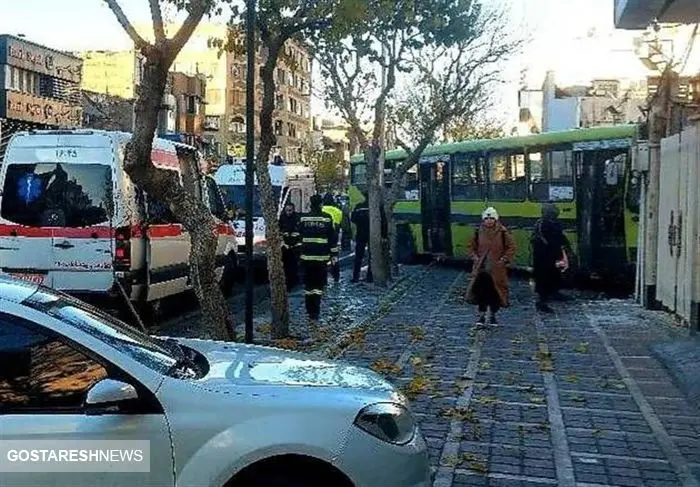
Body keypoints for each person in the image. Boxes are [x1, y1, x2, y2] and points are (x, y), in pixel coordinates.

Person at [465, 207, 517, 326]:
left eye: (491, 218)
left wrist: (503, 259)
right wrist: (475, 258)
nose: (489, 221)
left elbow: (511, 247)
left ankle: (493, 316)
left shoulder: (503, 232)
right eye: (487, 218)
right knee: (481, 293)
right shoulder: (478, 231)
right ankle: (482, 316)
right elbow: (470, 246)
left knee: (496, 294)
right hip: (481, 271)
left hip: (497, 271)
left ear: (496, 219)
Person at [299, 195, 338, 323]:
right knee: (318, 286)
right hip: (321, 258)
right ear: (320, 204)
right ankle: (315, 312)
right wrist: (334, 255)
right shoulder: (326, 218)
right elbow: (332, 239)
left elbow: (299, 236)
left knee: (308, 285)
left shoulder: (303, 218)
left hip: (306, 258)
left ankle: (309, 309)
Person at [531, 203, 570, 313]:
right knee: (544, 277)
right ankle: (542, 301)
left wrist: (565, 247)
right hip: (543, 256)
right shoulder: (543, 224)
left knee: (555, 274)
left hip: (552, 254)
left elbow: (560, 237)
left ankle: (554, 292)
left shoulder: (553, 223)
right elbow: (547, 240)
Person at [279, 201, 301, 291]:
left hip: (295, 247)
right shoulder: (282, 218)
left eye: (290, 210)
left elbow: (300, 233)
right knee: (285, 267)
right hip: (285, 247)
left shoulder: (297, 218)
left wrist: (297, 244)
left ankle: (292, 283)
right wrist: (283, 243)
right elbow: (279, 231)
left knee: (293, 267)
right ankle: (287, 284)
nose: (288, 212)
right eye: (287, 210)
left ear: (293, 210)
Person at [350, 195, 372, 283]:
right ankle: (370, 277)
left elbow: (353, 219)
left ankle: (356, 277)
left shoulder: (359, 207)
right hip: (372, 234)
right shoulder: (376, 207)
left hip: (361, 233)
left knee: (358, 257)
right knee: (372, 256)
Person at [322, 194, 343, 283]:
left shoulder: (321, 210)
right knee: (334, 257)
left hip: (323, 237)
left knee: (323, 259)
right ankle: (336, 276)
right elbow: (338, 224)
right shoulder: (338, 211)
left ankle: (324, 278)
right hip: (334, 237)